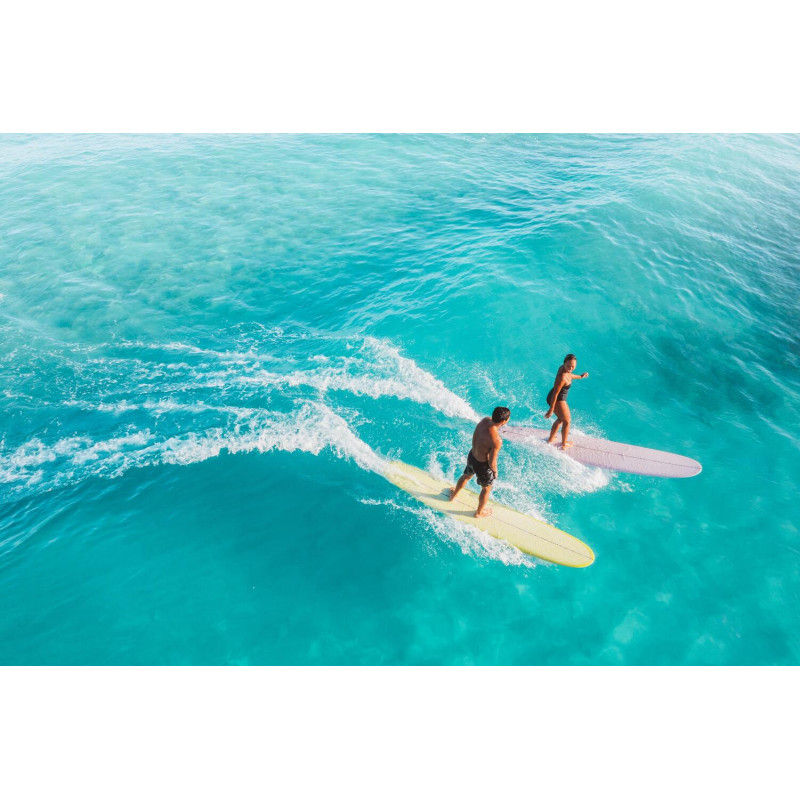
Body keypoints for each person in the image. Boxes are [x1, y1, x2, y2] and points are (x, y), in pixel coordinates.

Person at [449, 406, 511, 518]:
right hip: (482, 465)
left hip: (472, 455)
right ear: (504, 421)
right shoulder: (496, 440)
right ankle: (479, 512)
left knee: (466, 476)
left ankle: (454, 495)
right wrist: (495, 471)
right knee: (486, 488)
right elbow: (492, 461)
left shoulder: (485, 420)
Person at [545, 353, 588, 450]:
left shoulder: (566, 371)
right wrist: (551, 409)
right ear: (564, 364)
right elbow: (556, 393)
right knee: (567, 421)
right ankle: (564, 444)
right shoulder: (562, 377)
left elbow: (571, 375)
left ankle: (551, 439)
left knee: (561, 419)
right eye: (568, 365)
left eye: (573, 366)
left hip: (556, 396)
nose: (570, 368)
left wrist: (581, 376)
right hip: (557, 398)